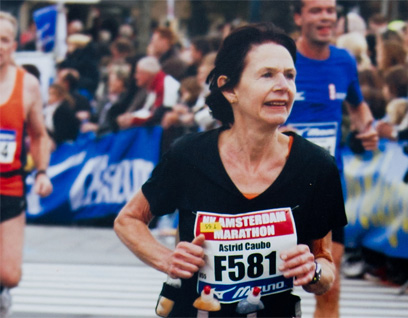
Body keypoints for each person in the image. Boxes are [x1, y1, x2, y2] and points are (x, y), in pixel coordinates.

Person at [114, 23, 345, 318]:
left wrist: (311, 270)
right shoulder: (190, 155)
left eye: (290, 76)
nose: (283, 86)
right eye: (267, 75)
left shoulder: (316, 166)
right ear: (229, 88)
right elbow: (128, 220)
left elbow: (325, 269)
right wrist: (168, 259)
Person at [288, 1, 378, 317]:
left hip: (326, 189)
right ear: (298, 17)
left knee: (328, 284)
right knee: (268, 290)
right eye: (316, 10)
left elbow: (357, 105)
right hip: (277, 188)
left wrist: (367, 129)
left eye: (330, 11)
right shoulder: (283, 58)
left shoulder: (344, 61)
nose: (326, 17)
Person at [0, 11, 53, 317]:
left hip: (10, 185)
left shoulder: (27, 85)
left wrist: (42, 172)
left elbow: (39, 135)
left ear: (14, 44)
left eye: (4, 39)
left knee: (9, 275)